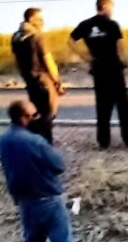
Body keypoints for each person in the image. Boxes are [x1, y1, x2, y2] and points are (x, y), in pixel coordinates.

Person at [0, 100, 82, 242]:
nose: (38, 117)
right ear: (24, 117)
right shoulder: (35, 141)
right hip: (49, 199)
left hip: (25, 202)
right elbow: (59, 165)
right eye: (34, 115)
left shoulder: (4, 140)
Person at [68, 0, 128, 150]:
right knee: (123, 106)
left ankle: (104, 142)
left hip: (98, 69)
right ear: (106, 7)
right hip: (114, 68)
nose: (112, 11)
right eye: (112, 8)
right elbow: (121, 48)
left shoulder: (86, 25)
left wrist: (86, 58)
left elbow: (70, 41)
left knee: (102, 107)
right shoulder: (112, 24)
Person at [11, 8, 64, 144]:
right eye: (39, 19)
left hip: (30, 80)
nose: (42, 22)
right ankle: (45, 145)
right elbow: (48, 60)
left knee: (35, 114)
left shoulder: (16, 38)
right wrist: (57, 81)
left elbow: (17, 61)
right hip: (43, 80)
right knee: (48, 114)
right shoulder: (37, 37)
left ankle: (33, 141)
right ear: (31, 19)